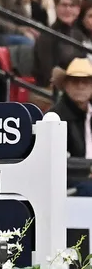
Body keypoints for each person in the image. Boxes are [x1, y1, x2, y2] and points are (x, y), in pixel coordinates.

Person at [49, 57, 92, 193]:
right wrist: (87, 167)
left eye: (86, 81)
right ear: (66, 85)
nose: (80, 86)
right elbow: (54, 160)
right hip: (69, 178)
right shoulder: (55, 117)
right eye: (75, 81)